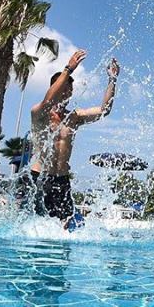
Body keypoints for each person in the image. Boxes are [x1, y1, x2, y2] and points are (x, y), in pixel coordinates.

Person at [28, 49, 120, 225]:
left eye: (69, 90)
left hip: (62, 180)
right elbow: (47, 102)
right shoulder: (39, 115)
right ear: (54, 89)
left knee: (65, 227)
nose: (66, 93)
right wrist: (68, 69)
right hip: (40, 178)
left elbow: (104, 110)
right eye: (62, 89)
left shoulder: (74, 118)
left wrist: (112, 80)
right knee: (36, 226)